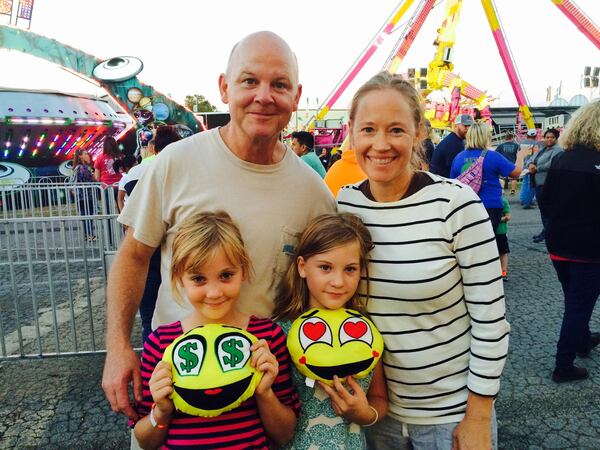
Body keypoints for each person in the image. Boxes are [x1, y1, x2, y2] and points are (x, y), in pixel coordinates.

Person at [102, 31, 335, 420]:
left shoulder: (313, 192)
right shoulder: (176, 163)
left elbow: (325, 285)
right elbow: (133, 256)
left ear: (296, 96)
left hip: (260, 402)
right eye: (249, 81)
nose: (264, 96)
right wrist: (118, 345)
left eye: (279, 84)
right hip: (176, 389)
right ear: (225, 87)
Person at [337, 71, 509, 450]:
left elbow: (491, 322)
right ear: (351, 132)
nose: (380, 144)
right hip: (373, 416)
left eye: (396, 130)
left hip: (450, 417)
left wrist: (478, 417)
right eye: (368, 129)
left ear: (419, 132)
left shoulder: (457, 205)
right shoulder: (345, 206)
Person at [133, 211, 299, 449]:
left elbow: (284, 434)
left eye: (226, 275)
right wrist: (161, 411)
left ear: (243, 271)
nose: (214, 293)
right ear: (180, 278)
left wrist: (265, 394)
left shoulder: (267, 337)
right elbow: (146, 442)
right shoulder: (160, 343)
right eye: (199, 279)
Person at [272, 213, 388, 449]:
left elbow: (380, 398)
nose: (338, 281)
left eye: (350, 269)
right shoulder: (280, 333)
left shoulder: (364, 332)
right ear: (303, 267)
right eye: (325, 267)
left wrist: (365, 414)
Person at [539, 101, 600, 382]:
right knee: (579, 304)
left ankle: (583, 340)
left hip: (559, 244)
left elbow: (546, 199)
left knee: (574, 298)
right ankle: (563, 365)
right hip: (589, 248)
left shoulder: (561, 158)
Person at [124, 125, 183, 344]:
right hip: (168, 255)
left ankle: (151, 354)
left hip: (147, 253)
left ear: (154, 148)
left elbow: (122, 195)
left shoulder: (140, 169)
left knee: (149, 317)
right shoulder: (177, 167)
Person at [450, 121, 528, 234]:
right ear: (486, 137)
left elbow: (453, 182)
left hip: (466, 205)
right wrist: (520, 157)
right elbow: (515, 173)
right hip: (490, 205)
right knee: (488, 241)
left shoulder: (458, 157)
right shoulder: (493, 156)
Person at [528, 128, 563, 243]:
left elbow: (552, 164)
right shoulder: (543, 149)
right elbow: (531, 159)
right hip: (538, 182)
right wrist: (530, 165)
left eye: (552, 137)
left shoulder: (558, 150)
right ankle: (546, 231)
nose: (549, 139)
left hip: (547, 184)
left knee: (547, 210)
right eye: (547, 137)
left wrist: (537, 168)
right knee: (543, 210)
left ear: (556, 138)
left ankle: (549, 233)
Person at [70, 149, 96, 241]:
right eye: (86, 154)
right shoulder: (83, 168)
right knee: (88, 215)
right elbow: (90, 180)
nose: (88, 155)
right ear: (80, 156)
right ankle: (89, 235)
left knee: (85, 215)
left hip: (80, 196)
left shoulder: (76, 168)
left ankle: (87, 234)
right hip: (86, 195)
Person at [519, 130, 539, 209]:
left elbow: (519, 154)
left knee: (524, 183)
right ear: (535, 136)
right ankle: (527, 202)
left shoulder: (521, 143)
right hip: (531, 166)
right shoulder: (536, 144)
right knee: (531, 185)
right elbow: (536, 155)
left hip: (522, 165)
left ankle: (523, 199)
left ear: (527, 135)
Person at [496, 196, 511, 281]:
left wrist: (497, 219)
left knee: (503, 252)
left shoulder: (503, 201)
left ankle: (503, 272)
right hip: (491, 232)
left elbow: (508, 216)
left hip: (501, 232)